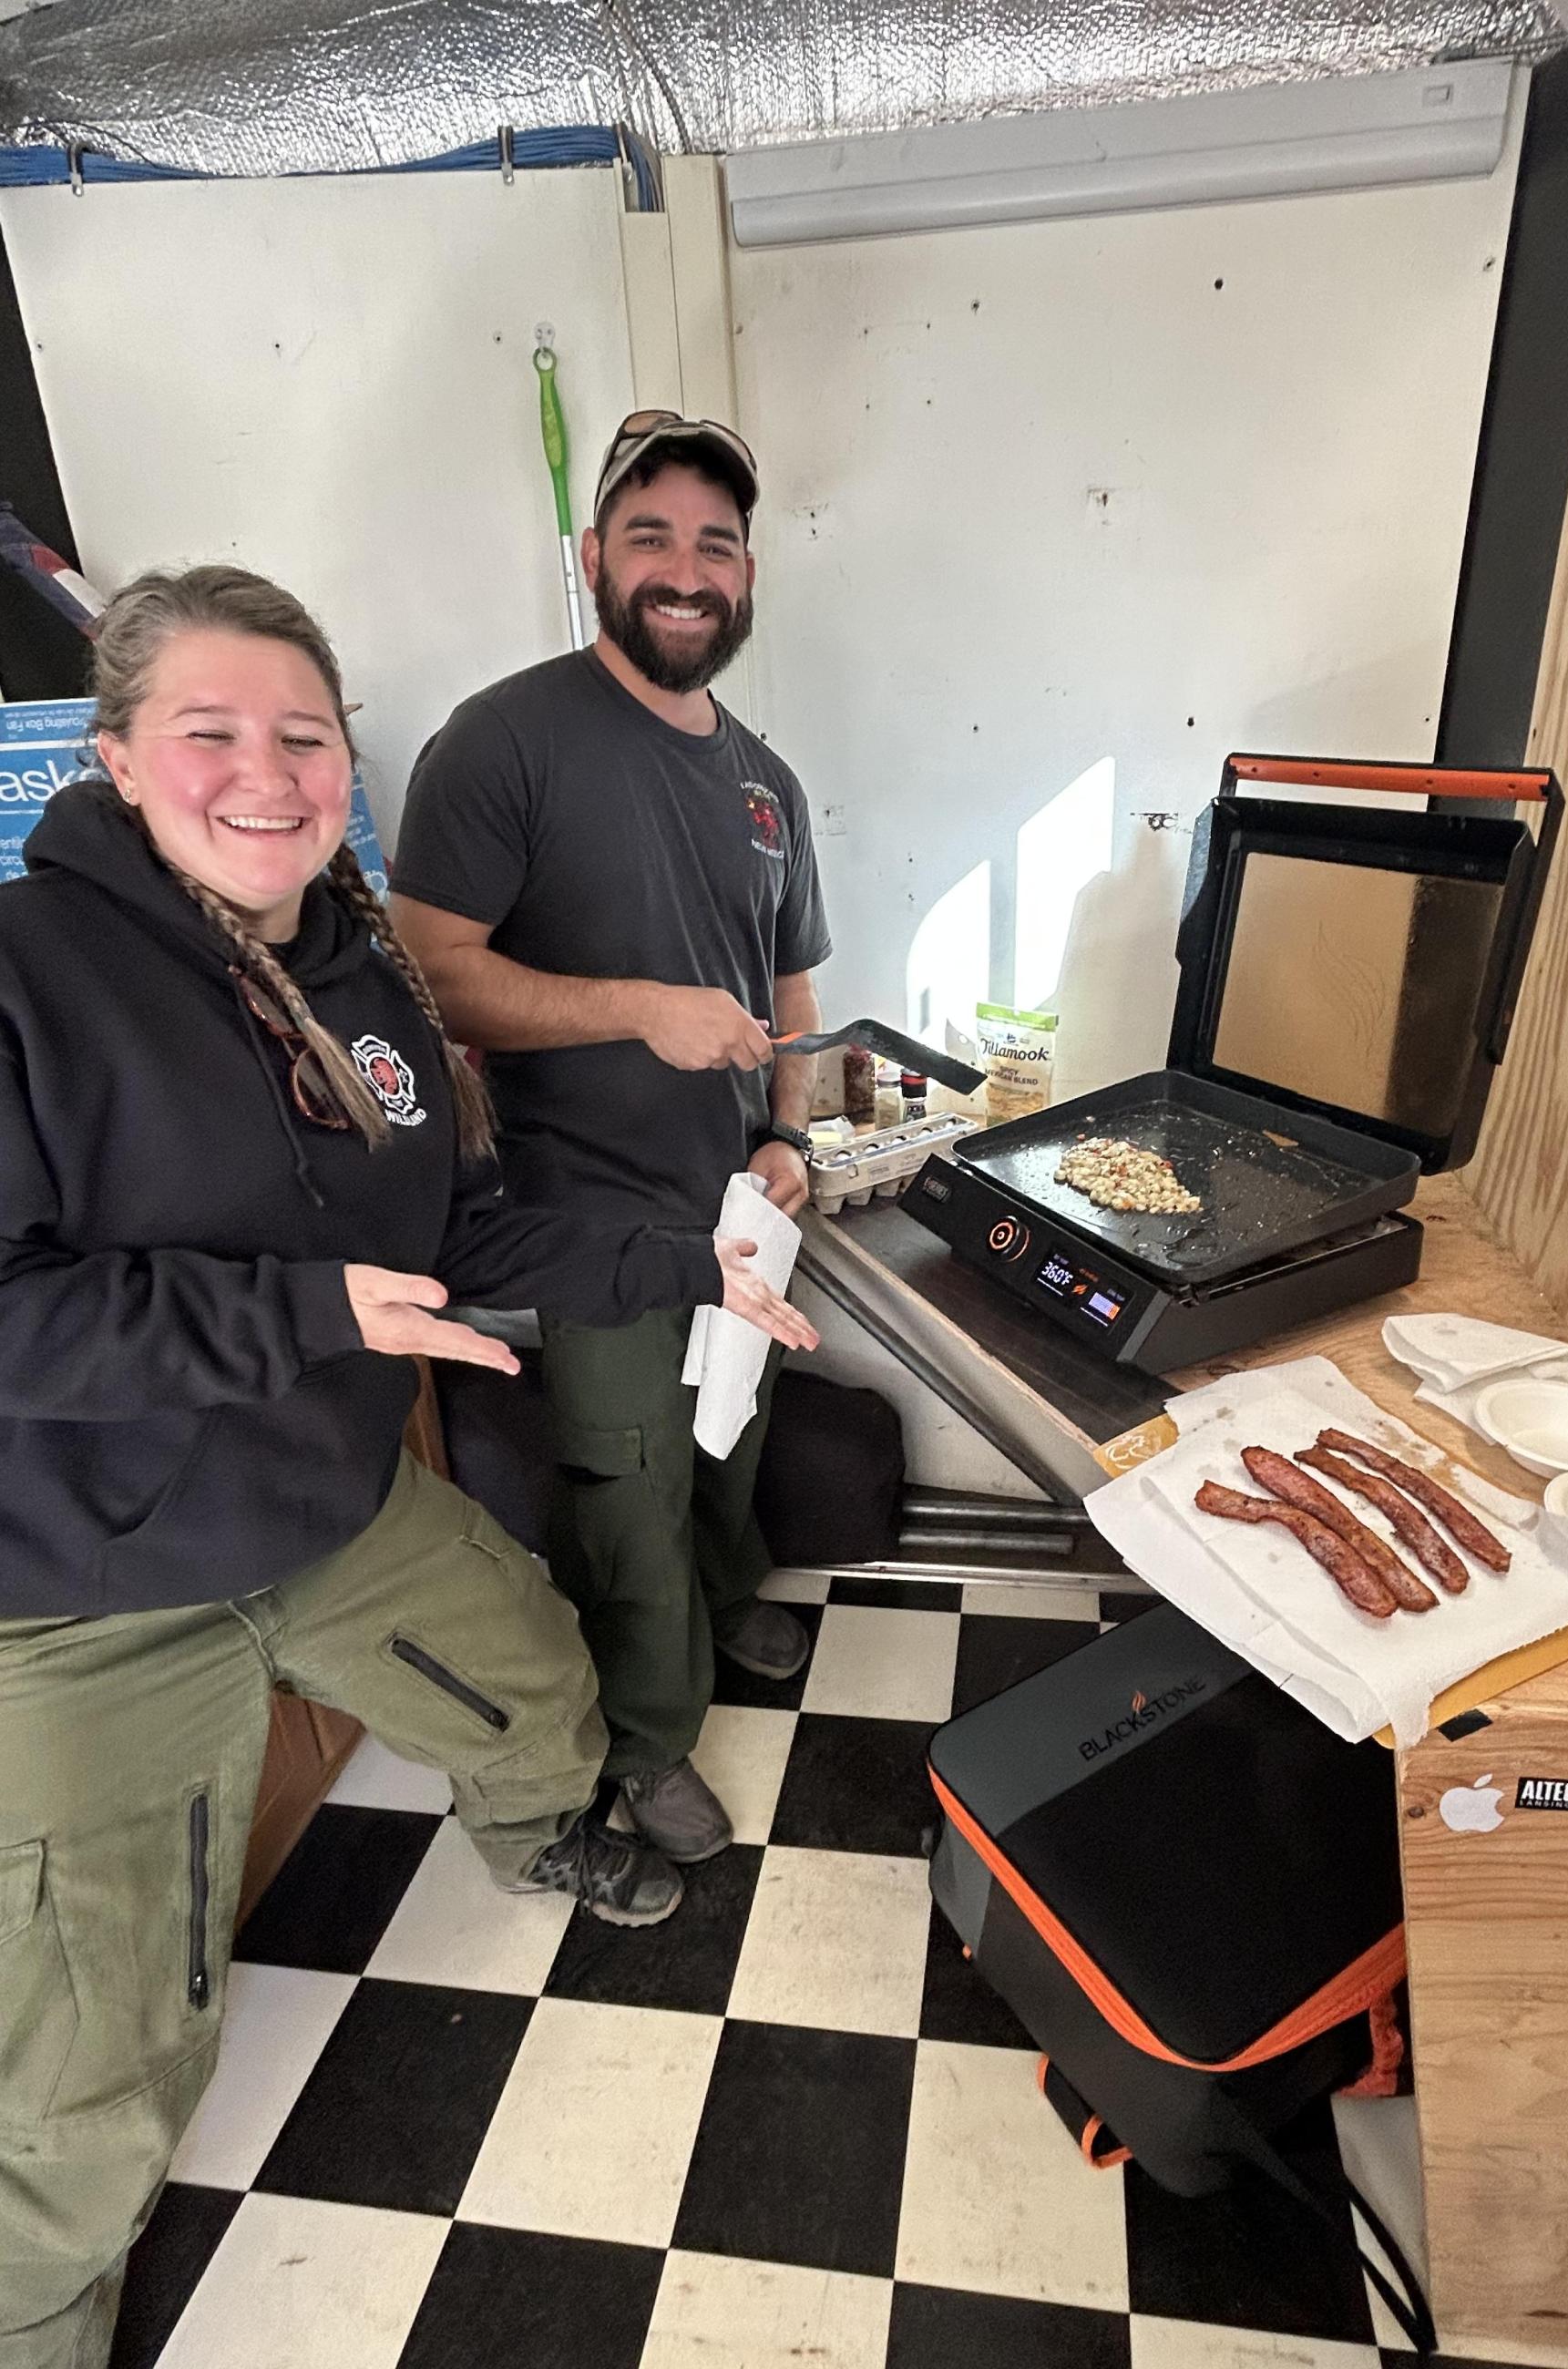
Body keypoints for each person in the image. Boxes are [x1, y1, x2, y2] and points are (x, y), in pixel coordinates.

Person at [0, 563, 815, 2369]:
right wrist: (302, 1315)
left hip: (325, 1505)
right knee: (91, 2063)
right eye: (210, 731)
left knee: (532, 1669)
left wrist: (696, 1258)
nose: (267, 770)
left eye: (302, 731)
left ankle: (538, 1831)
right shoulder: (24, 971)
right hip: (81, 1581)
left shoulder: (353, 967)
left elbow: (458, 1237)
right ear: (122, 756)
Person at [392, 409, 830, 1868]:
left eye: (714, 542)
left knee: (730, 1436)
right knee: (630, 1485)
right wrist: (636, 1009)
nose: (683, 569)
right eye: (649, 536)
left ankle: (723, 1601)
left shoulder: (767, 779)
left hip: (739, 1209)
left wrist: (791, 1143)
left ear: (748, 574)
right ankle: (647, 1745)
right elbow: (429, 976)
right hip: (595, 1221)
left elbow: (793, 989)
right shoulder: (504, 738)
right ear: (594, 556)